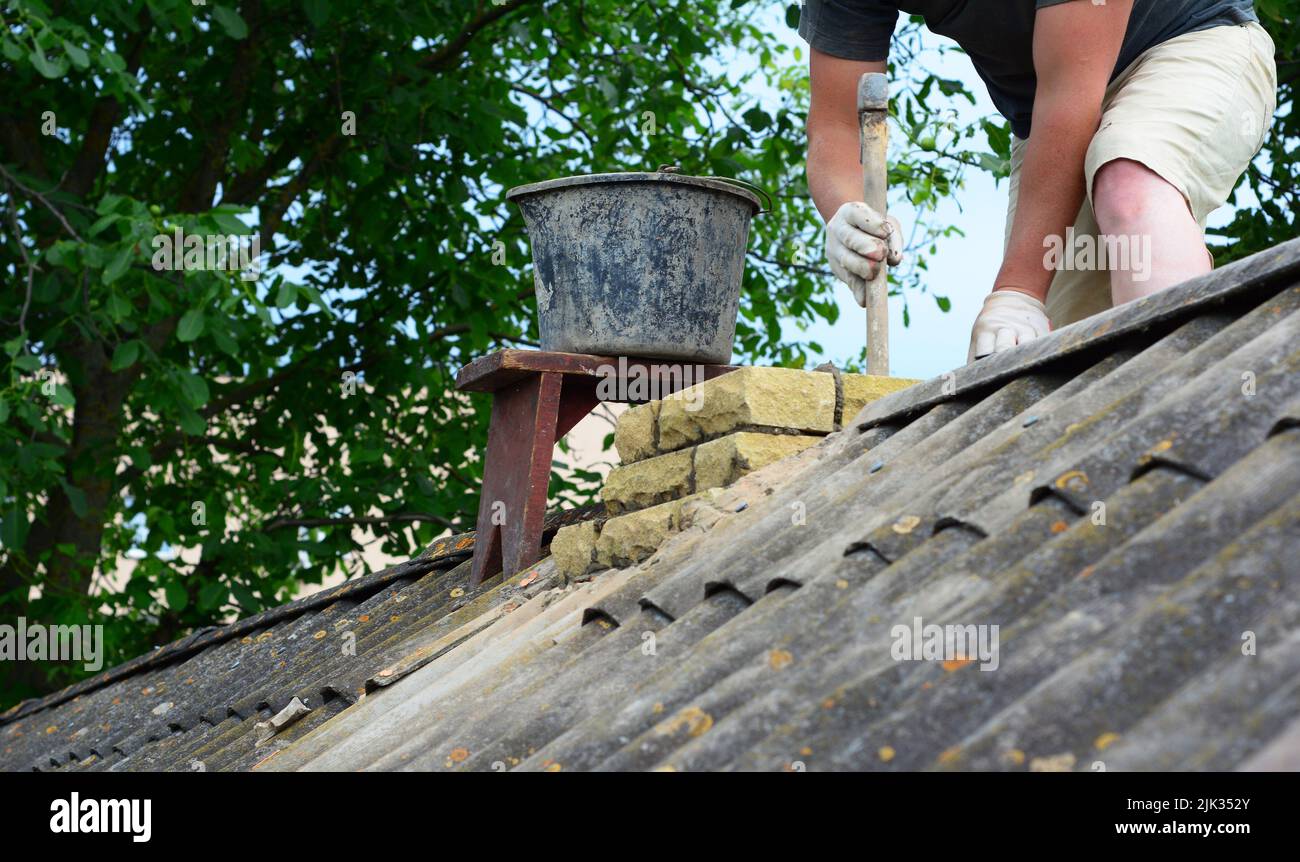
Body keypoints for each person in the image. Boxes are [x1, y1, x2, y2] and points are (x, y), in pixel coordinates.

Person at [800, 0, 1277, 363]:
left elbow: (1072, 91)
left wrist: (1017, 292)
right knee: (1052, 359)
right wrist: (846, 211)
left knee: (1129, 180)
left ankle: (1189, 413)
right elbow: (836, 128)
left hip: (1190, 42)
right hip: (1048, 118)